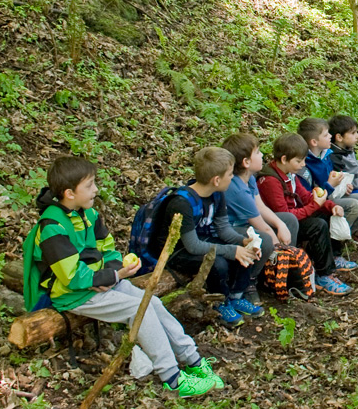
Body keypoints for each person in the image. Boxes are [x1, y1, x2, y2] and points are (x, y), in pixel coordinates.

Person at [25, 156, 223, 397]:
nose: (96, 189)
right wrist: (110, 275)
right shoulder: (52, 227)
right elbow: (71, 277)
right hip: (74, 295)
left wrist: (115, 271)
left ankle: (193, 360)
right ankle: (172, 379)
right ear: (69, 193)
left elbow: (108, 248)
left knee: (152, 301)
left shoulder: (88, 214)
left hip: (100, 283)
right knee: (139, 309)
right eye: (89, 185)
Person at [151, 147, 265, 327]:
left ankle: (237, 296)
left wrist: (244, 242)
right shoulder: (181, 203)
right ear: (216, 179)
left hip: (202, 240)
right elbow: (193, 246)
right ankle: (220, 302)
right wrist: (232, 250)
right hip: (178, 251)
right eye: (229, 174)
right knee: (218, 262)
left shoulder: (217, 194)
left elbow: (223, 229)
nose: (232, 177)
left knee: (246, 251)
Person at [257, 133, 356, 296]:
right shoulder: (270, 181)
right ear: (284, 159)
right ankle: (324, 275)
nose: (303, 164)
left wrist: (330, 206)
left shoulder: (290, 174)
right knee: (317, 225)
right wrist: (314, 206)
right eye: (298, 161)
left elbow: (306, 196)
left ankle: (328, 262)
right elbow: (286, 214)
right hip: (281, 227)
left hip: (294, 219)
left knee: (326, 217)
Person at [221, 132, 299, 304]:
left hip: (248, 223)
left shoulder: (250, 179)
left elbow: (261, 207)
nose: (262, 155)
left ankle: (280, 271)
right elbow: (260, 224)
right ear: (246, 162)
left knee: (288, 220)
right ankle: (249, 281)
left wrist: (280, 225)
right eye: (257, 152)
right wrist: (279, 245)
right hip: (232, 228)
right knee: (264, 238)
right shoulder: (236, 188)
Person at [297, 118, 358, 245]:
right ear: (314, 142)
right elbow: (312, 194)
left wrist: (343, 186)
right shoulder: (306, 163)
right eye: (326, 135)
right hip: (319, 203)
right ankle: (332, 246)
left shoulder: (326, 155)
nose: (330, 136)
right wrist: (330, 185)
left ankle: (346, 237)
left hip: (330, 194)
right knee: (354, 205)